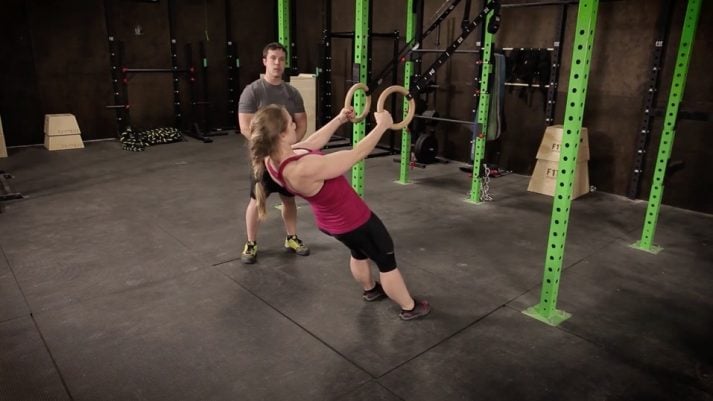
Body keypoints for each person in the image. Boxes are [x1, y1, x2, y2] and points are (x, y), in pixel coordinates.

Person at [248, 103, 431, 320]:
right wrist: (382, 125)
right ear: (280, 135)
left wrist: (339, 119)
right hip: (354, 220)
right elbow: (357, 153)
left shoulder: (273, 158)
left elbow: (311, 143)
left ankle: (371, 289)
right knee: (385, 260)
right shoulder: (302, 169)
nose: (295, 124)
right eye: (290, 122)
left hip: (334, 223)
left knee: (359, 252)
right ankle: (410, 307)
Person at [237, 42, 309, 264]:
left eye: (281, 59)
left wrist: (289, 147)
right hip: (263, 158)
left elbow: (302, 122)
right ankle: (251, 243)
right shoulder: (253, 91)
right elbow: (245, 126)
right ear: (265, 61)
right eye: (273, 58)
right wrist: (269, 150)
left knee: (289, 201)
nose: (278, 63)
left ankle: (291, 237)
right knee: (256, 201)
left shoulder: (292, 93)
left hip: (286, 159)